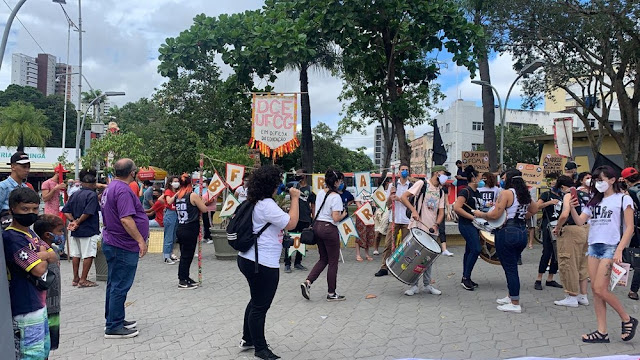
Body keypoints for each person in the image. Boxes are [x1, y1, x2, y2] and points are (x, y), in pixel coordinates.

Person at [569, 165, 638, 343]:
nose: (598, 183)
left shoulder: (623, 199)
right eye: (596, 180)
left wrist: (620, 249)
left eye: (601, 180)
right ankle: (602, 331)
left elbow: (630, 227)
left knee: (600, 288)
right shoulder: (594, 200)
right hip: (593, 247)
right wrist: (572, 207)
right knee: (596, 290)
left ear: (613, 179)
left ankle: (627, 318)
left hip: (611, 247)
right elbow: (580, 222)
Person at [237, 165, 299, 360]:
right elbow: (291, 223)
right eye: (277, 182)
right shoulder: (266, 205)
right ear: (271, 185)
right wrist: (295, 198)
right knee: (260, 306)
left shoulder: (255, 201)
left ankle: (248, 339)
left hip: (248, 257)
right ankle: (260, 348)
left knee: (256, 300)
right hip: (262, 262)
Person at [474, 169, 538, 313]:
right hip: (522, 232)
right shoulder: (524, 194)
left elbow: (496, 214)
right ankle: (510, 296)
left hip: (507, 232)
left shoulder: (506, 193)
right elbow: (534, 209)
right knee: (511, 265)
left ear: (509, 179)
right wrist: (521, 216)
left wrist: (481, 214)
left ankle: (515, 302)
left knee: (510, 268)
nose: (501, 180)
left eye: (503, 178)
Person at [3, 187, 57, 359]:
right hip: (24, 308)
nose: (31, 213)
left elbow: (54, 255)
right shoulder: (12, 238)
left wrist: (42, 255)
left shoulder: (29, 232)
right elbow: (39, 269)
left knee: (43, 352)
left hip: (39, 304)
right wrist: (44, 255)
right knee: (30, 355)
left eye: (34, 209)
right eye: (25, 209)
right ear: (12, 209)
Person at [100, 158, 148, 339]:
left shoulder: (110, 187)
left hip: (113, 241)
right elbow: (126, 219)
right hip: (122, 245)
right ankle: (113, 326)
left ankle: (115, 318)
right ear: (132, 173)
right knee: (120, 285)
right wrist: (140, 240)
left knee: (114, 284)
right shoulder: (122, 190)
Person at [400, 165, 448, 296]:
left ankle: (427, 285)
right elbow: (404, 197)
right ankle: (413, 285)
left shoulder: (441, 191)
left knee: (428, 259)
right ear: (437, 173)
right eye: (444, 174)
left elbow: (441, 211)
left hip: (432, 229)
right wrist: (414, 211)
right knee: (414, 257)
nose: (446, 177)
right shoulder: (422, 184)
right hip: (417, 226)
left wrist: (437, 224)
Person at [301, 169, 346, 302]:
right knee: (333, 262)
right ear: (336, 182)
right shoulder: (336, 197)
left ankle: (308, 281)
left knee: (323, 259)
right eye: (341, 181)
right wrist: (343, 214)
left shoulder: (321, 193)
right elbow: (335, 218)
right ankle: (331, 293)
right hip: (329, 229)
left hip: (317, 227)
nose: (341, 184)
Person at [551, 176, 590, 307]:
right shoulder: (585, 194)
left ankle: (571, 296)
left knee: (569, 263)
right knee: (582, 264)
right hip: (586, 229)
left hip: (571, 230)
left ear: (562, 187)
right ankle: (583, 295)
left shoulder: (568, 195)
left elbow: (564, 214)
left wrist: (558, 227)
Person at [62, 169, 101, 288]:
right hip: (88, 229)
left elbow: (66, 211)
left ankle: (75, 278)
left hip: (76, 230)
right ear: (93, 184)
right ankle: (83, 279)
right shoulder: (92, 195)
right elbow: (88, 213)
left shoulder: (75, 194)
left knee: (76, 254)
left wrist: (73, 221)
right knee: (88, 254)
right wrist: (78, 222)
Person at [374, 164, 414, 277]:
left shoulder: (411, 187)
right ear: (399, 172)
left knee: (405, 245)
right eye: (402, 170)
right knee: (388, 243)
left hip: (406, 219)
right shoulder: (393, 185)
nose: (404, 172)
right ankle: (384, 267)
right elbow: (387, 205)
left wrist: (400, 199)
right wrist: (390, 198)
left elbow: (411, 204)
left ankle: (401, 267)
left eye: (406, 170)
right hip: (394, 218)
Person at [34, 214, 65, 352]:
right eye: (59, 231)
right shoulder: (41, 251)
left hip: (54, 303)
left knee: (51, 342)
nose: (62, 235)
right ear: (48, 234)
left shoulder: (53, 249)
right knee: (45, 344)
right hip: (46, 304)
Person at [174, 173, 209, 289]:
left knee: (185, 255)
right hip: (190, 228)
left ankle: (185, 277)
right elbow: (204, 209)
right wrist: (202, 201)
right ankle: (182, 280)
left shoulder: (177, 195)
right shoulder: (192, 195)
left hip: (181, 226)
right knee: (186, 256)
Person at [453, 166, 482, 290]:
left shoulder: (477, 192)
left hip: (474, 225)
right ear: (474, 178)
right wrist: (471, 217)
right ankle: (466, 278)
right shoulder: (465, 191)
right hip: (466, 224)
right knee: (476, 249)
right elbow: (457, 207)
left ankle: (466, 277)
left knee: (469, 250)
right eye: (481, 178)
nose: (482, 180)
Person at [534, 173, 563, 290]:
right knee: (547, 252)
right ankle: (539, 278)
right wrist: (549, 203)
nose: (554, 183)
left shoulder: (563, 195)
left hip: (559, 225)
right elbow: (536, 207)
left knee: (557, 253)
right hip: (548, 226)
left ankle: (550, 278)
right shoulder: (546, 194)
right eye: (552, 181)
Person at [284, 169, 314, 273]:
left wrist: (313, 219)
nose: (298, 175)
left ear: (305, 175)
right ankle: (287, 263)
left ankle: (298, 262)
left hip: (305, 217)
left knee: (302, 240)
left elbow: (313, 205)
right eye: (297, 174)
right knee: (289, 240)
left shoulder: (310, 189)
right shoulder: (292, 187)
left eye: (300, 174)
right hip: (293, 217)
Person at [621, 168, 640, 300]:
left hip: (638, 229)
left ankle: (633, 290)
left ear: (626, 180)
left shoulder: (631, 192)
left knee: (638, 261)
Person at [0, 151, 31, 230]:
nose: (27, 170)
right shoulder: (3, 187)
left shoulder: (26, 188)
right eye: (24, 167)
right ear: (13, 167)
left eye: (28, 167)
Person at [162, 176, 180, 264]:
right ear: (170, 183)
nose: (177, 183)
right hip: (170, 213)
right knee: (168, 236)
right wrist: (176, 195)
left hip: (176, 213)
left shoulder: (175, 191)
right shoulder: (168, 191)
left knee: (173, 237)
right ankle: (166, 256)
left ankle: (170, 254)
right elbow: (169, 201)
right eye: (175, 181)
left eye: (178, 181)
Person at [354, 191, 374, 262]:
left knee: (368, 234)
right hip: (361, 216)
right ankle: (358, 254)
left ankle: (367, 254)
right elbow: (358, 204)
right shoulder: (358, 192)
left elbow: (373, 204)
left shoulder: (370, 191)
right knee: (359, 235)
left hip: (369, 216)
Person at [373, 177, 391, 256]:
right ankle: (375, 249)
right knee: (377, 232)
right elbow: (375, 204)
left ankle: (387, 249)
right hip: (379, 213)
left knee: (386, 232)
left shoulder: (390, 192)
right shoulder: (377, 192)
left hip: (387, 212)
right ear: (386, 182)